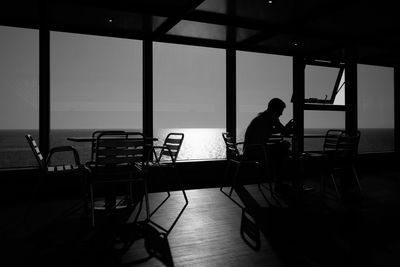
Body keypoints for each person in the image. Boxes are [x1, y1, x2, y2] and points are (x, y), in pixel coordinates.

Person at [243, 98, 294, 192]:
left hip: (250, 150)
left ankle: (278, 183)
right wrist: (288, 128)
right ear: (275, 109)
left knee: (282, 151)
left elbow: (276, 130)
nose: (281, 114)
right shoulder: (270, 118)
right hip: (256, 151)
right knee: (284, 149)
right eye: (280, 111)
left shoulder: (263, 117)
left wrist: (285, 129)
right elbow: (284, 132)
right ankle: (279, 184)